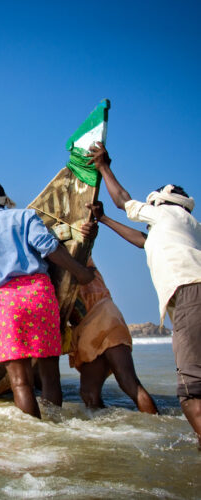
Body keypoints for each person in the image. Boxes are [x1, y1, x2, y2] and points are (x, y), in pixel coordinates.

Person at [0, 181, 95, 419]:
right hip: (39, 294)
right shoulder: (25, 217)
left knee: (20, 382)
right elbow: (49, 248)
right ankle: (57, 427)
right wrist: (80, 272)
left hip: (5, 304)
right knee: (50, 375)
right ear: (5, 201)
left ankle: (34, 437)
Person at [87, 142, 201, 446]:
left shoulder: (166, 213)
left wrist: (103, 166)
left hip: (191, 294)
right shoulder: (189, 226)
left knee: (191, 392)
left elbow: (124, 200)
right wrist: (104, 220)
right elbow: (143, 241)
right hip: (193, 295)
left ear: (159, 203)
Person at [69, 256, 158, 414]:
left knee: (128, 382)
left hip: (104, 317)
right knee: (89, 393)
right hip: (87, 329)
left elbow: (84, 274)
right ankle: (104, 433)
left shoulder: (75, 251)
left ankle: (158, 428)